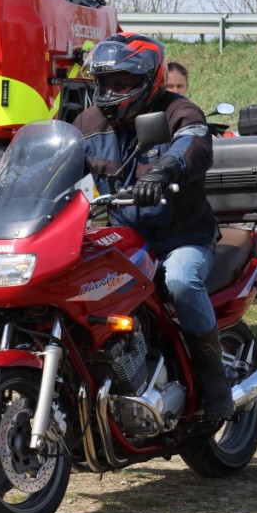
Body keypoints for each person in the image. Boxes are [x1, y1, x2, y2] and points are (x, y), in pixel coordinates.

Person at [74, 32, 233, 419]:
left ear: (149, 79)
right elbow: (57, 158)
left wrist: (165, 171)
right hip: (124, 239)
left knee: (181, 280)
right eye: (105, 81)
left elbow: (192, 145)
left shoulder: (179, 111)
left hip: (181, 237)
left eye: (121, 81)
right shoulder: (88, 122)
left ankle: (214, 381)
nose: (111, 90)